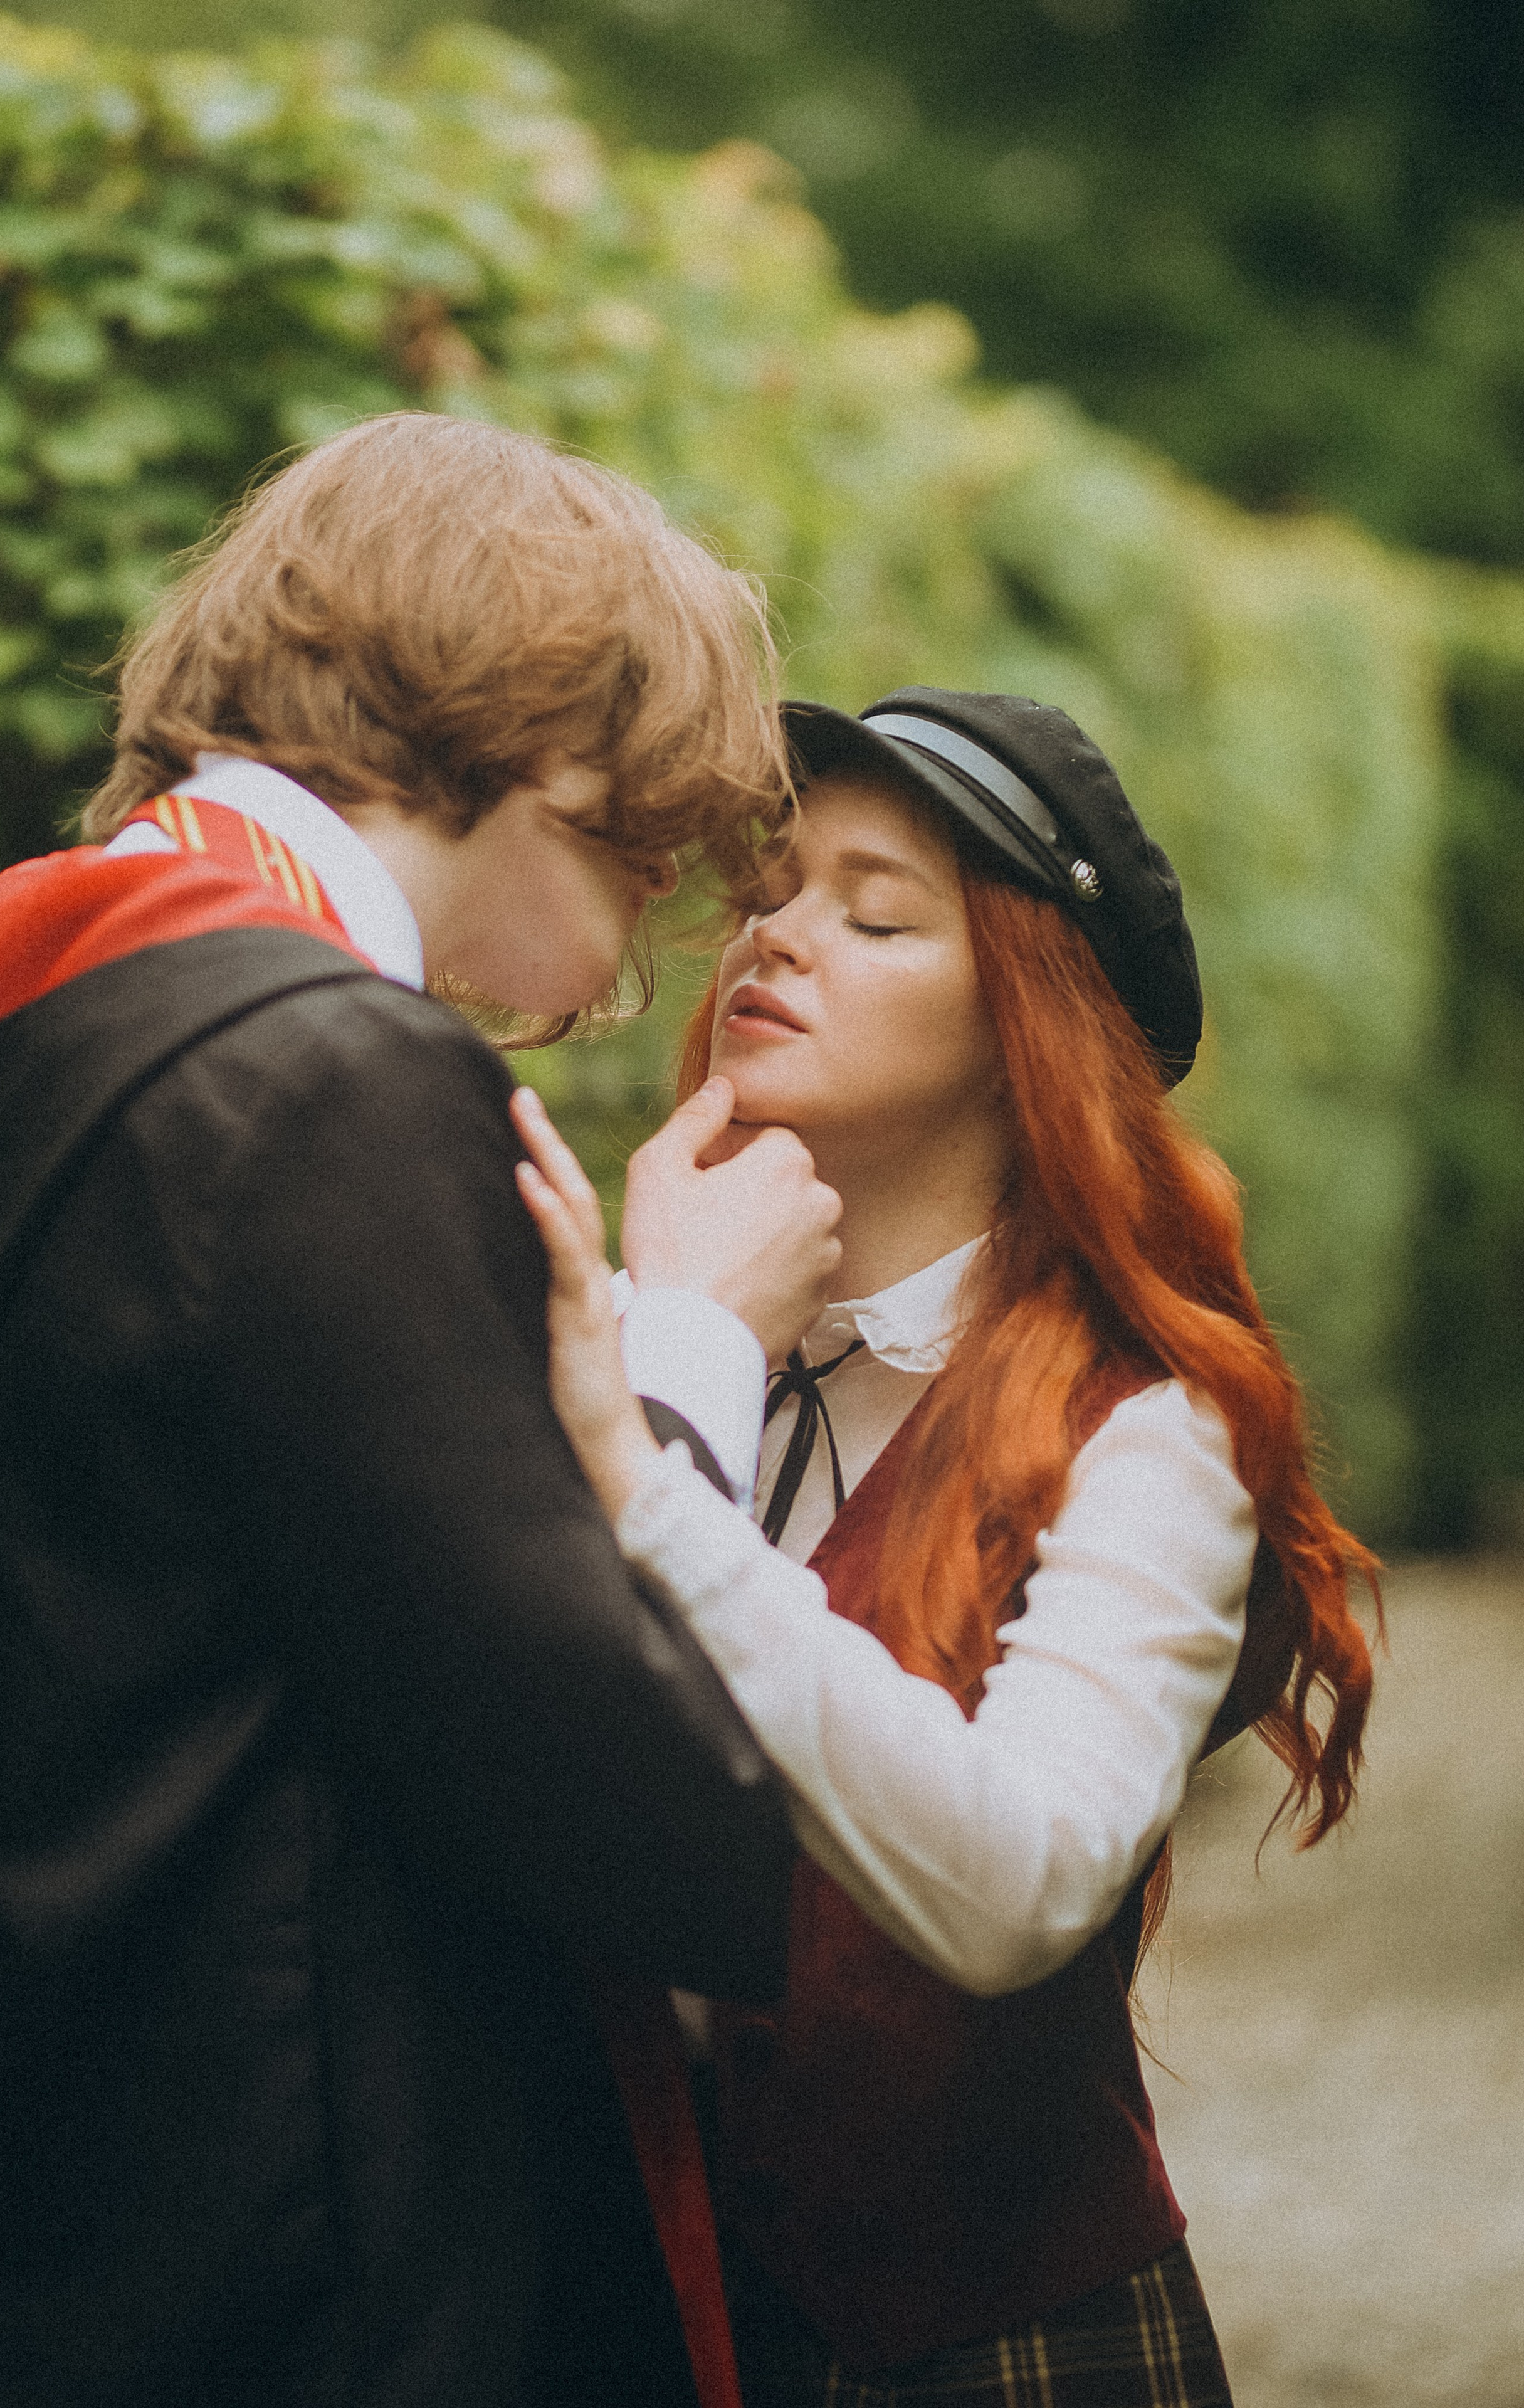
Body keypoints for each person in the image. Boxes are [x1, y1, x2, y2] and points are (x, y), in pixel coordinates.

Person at [0, 413, 852, 2408]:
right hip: (303, 2257)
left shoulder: (25, 1008)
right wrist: (688, 1351)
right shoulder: (331, 1072)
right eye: (652, 848)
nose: (634, 950)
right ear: (547, 742)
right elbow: (605, 1790)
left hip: (47, 2197)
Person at [513, 686, 1380, 2408]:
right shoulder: (631, 1339)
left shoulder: (1147, 1427)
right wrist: (663, 1357)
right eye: (774, 887)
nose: (779, 933)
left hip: (1000, 2353)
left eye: (877, 910)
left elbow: (1019, 1887)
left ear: (1024, 1024)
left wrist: (647, 1468)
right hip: (620, 2329)